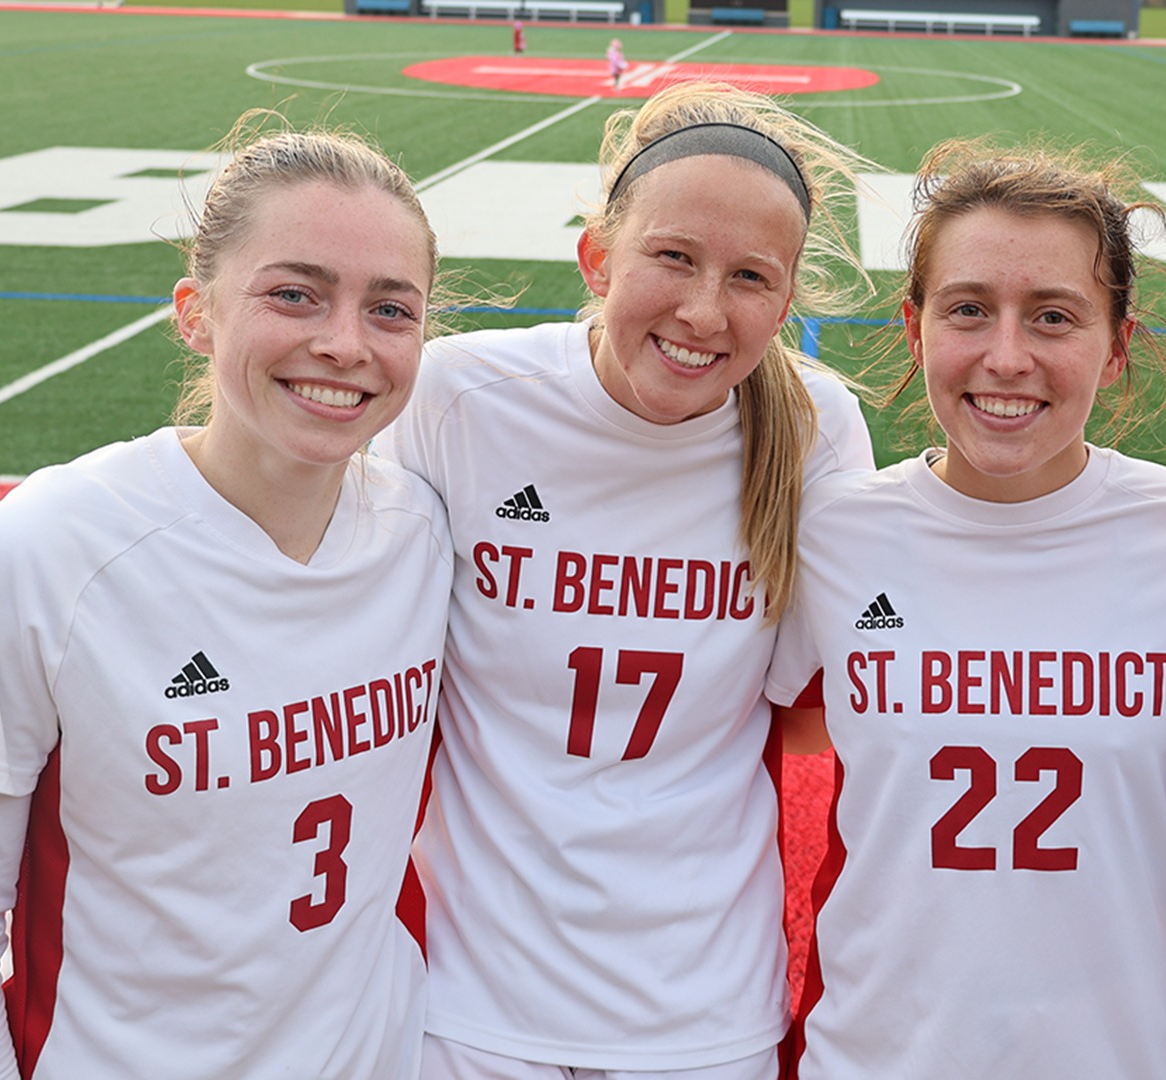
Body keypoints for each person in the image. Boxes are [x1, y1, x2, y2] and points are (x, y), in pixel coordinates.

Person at [0, 116, 454, 1079]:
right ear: (196, 312)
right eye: (295, 294)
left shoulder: (427, 537)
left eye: (390, 310)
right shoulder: (42, 558)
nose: (342, 343)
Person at [376, 81, 876, 1080]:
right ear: (598, 257)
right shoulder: (460, 398)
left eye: (749, 278)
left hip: (703, 1009)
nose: (702, 309)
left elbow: (812, 708)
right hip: (469, 1001)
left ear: (786, 302)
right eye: (672, 257)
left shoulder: (817, 435)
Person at [764, 139, 1166, 1078]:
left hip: (1118, 1056)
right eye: (968, 310)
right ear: (914, 329)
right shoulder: (832, 531)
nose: (1006, 356)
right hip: (870, 1054)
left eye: (1054, 317)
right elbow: (783, 726)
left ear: (1117, 346)